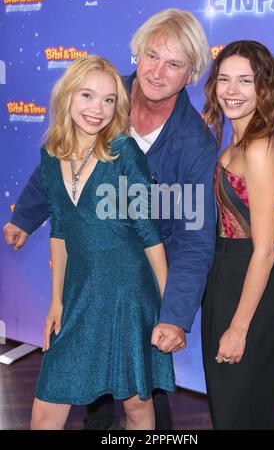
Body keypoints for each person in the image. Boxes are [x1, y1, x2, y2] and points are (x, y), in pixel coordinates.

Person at [3, 9, 217, 430]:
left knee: (140, 399)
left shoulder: (195, 142)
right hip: (86, 282)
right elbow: (59, 163)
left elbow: (193, 239)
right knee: (88, 406)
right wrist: (25, 218)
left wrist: (172, 314)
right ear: (137, 53)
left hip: (138, 287)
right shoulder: (103, 89)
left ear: (191, 73)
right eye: (152, 56)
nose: (156, 72)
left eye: (173, 64)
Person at [31, 54, 177, 430]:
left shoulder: (124, 153)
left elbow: (148, 233)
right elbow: (60, 230)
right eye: (88, 96)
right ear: (67, 97)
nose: (98, 109)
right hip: (79, 294)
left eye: (109, 99)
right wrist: (56, 300)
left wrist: (170, 312)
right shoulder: (50, 155)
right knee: (46, 409)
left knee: (135, 405)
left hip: (127, 294)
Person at [201, 40, 274, 430]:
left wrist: (239, 329)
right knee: (228, 411)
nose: (231, 91)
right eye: (224, 80)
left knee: (244, 414)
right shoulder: (236, 139)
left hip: (251, 288)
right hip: (223, 281)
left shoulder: (258, 147)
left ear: (264, 88)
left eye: (245, 81)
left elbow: (265, 252)